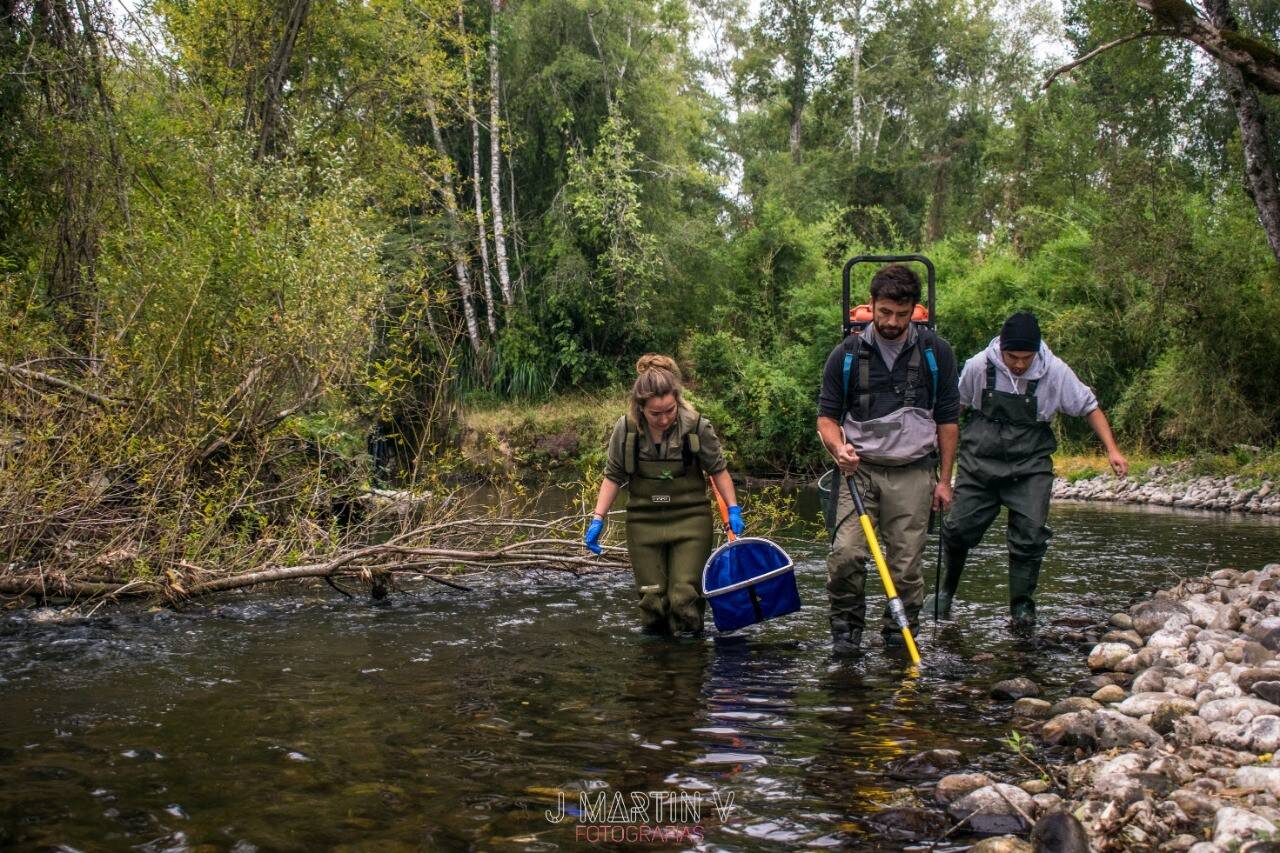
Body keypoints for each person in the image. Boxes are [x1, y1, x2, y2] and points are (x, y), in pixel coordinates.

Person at [938, 311, 1128, 628]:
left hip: (1030, 467)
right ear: (1001, 349)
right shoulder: (978, 367)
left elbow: (1089, 407)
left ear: (1036, 350)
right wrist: (939, 455)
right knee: (957, 529)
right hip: (978, 464)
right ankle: (946, 591)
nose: (1019, 364)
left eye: (1026, 357)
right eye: (1012, 356)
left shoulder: (1054, 371)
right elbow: (954, 410)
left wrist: (1113, 449)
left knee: (1030, 535)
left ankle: (1022, 606)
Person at [817, 264, 960, 654]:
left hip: (914, 471)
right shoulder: (845, 355)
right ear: (872, 305)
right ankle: (846, 631)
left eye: (901, 314)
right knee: (846, 553)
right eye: (884, 313)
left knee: (906, 565)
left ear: (915, 309)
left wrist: (945, 481)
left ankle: (899, 633)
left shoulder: (937, 353)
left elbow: (948, 421)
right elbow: (827, 419)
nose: (892, 322)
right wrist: (838, 449)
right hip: (858, 471)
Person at [584, 355, 743, 634]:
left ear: (677, 401)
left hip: (691, 520)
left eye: (670, 410)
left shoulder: (696, 426)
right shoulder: (626, 430)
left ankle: (688, 668)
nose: (664, 419)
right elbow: (613, 476)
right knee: (653, 602)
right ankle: (655, 669)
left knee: (683, 599)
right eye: (655, 414)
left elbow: (719, 471)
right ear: (640, 407)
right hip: (643, 522)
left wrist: (733, 509)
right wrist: (598, 518)